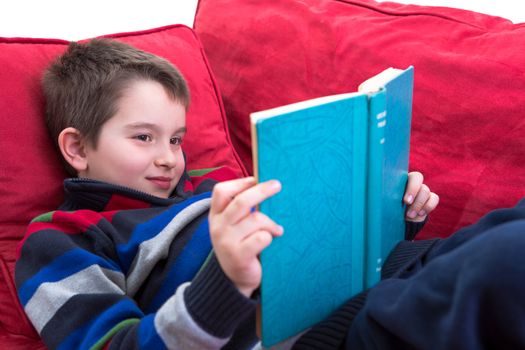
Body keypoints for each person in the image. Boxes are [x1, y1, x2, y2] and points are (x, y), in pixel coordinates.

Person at [14, 38, 438, 350]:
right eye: (144, 137)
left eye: (177, 140)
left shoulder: (211, 183)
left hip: (367, 283)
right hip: (301, 332)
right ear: (77, 148)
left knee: (496, 234)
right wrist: (225, 283)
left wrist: (392, 214)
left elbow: (316, 243)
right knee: (493, 264)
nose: (168, 159)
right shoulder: (62, 238)